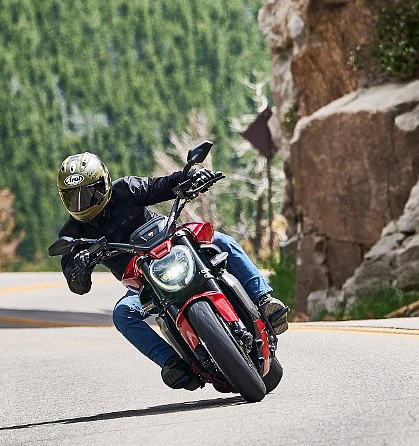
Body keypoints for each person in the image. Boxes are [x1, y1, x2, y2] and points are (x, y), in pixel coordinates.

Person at [55, 152, 289, 390]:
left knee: (222, 241)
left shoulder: (126, 190)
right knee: (122, 314)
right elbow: (78, 286)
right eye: (73, 197)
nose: (82, 203)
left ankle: (264, 300)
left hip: (175, 249)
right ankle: (171, 362)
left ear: (103, 183)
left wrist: (192, 177)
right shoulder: (73, 234)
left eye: (89, 192)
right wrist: (78, 267)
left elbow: (162, 185)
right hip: (142, 283)